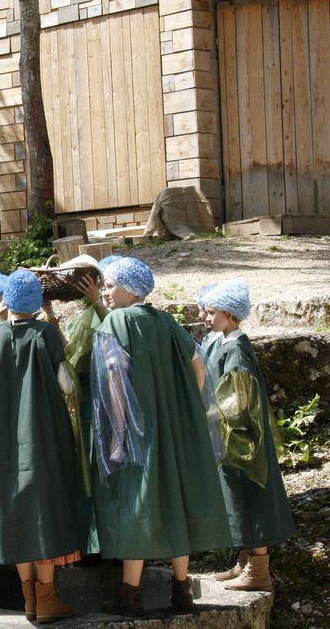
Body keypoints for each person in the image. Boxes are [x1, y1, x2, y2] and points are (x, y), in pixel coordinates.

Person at [90, 257, 232, 616]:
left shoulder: (116, 323)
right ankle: (182, 589)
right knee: (176, 502)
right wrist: (187, 410)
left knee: (139, 504)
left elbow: (114, 383)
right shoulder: (166, 321)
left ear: (128, 288)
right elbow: (198, 365)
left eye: (109, 285)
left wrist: (120, 432)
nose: (105, 292)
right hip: (176, 429)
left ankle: (129, 595)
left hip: (139, 434)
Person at [0, 269, 81, 624]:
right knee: (43, 512)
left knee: (14, 513)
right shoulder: (46, 335)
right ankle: (46, 597)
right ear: (36, 303)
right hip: (44, 439)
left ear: (7, 303)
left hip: (1, 443)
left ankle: (30, 597)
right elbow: (67, 386)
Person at [200, 280, 294, 592]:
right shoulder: (222, 342)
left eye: (211, 312)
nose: (205, 316)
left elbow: (237, 401)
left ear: (229, 313)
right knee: (237, 496)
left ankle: (259, 571)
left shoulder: (236, 350)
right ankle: (244, 561)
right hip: (228, 434)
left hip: (241, 437)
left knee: (253, 496)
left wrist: (211, 417)